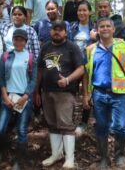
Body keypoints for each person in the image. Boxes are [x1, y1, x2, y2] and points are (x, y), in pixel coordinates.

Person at [83, 17, 125, 168]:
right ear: (97, 30)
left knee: (120, 126)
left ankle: (119, 155)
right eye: (102, 26)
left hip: (119, 94)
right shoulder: (90, 50)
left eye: (108, 26)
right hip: (99, 94)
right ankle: (103, 157)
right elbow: (86, 74)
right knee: (101, 125)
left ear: (113, 29)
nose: (105, 29)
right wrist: (86, 94)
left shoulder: (123, 46)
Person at [37, 20, 85, 169]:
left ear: (65, 32)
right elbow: (40, 70)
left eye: (60, 30)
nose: (57, 32)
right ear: (51, 31)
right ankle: (56, 154)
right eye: (54, 29)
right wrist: (36, 91)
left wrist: (68, 79)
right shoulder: (45, 47)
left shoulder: (72, 47)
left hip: (65, 92)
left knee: (65, 124)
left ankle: (70, 159)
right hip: (47, 91)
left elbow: (81, 69)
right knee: (52, 124)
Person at [0, 29, 37, 170]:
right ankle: (0, 151)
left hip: (24, 98)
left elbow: (34, 80)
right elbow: (0, 77)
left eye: (21, 39)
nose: (18, 42)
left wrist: (25, 96)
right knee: (0, 128)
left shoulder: (30, 57)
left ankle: (19, 160)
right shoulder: (6, 56)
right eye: (16, 39)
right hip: (8, 96)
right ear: (13, 40)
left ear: (25, 41)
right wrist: (5, 96)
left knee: (22, 130)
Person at [70, 0, 94, 137]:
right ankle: (69, 120)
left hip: (89, 66)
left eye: (85, 10)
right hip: (74, 66)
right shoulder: (72, 27)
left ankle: (84, 122)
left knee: (87, 94)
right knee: (70, 93)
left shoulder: (95, 27)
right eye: (79, 10)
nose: (82, 13)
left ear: (90, 12)